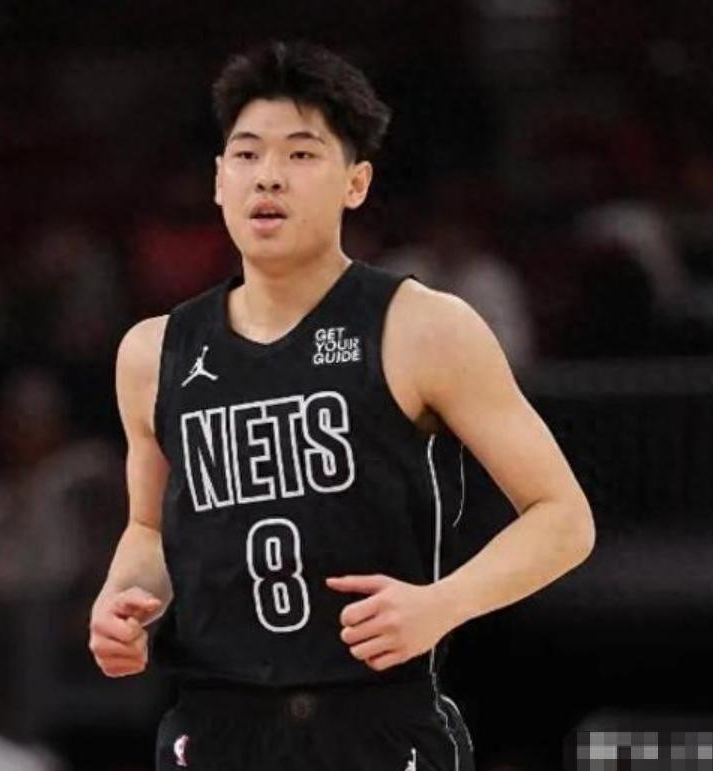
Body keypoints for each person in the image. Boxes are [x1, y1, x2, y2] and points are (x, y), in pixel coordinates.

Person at [89, 41, 595, 771]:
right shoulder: (152, 351)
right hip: (216, 723)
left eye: (301, 154)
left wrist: (442, 604)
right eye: (247, 154)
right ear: (219, 180)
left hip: (373, 719)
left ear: (356, 183)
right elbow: (148, 529)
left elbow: (564, 518)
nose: (268, 175)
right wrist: (123, 599)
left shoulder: (423, 326)